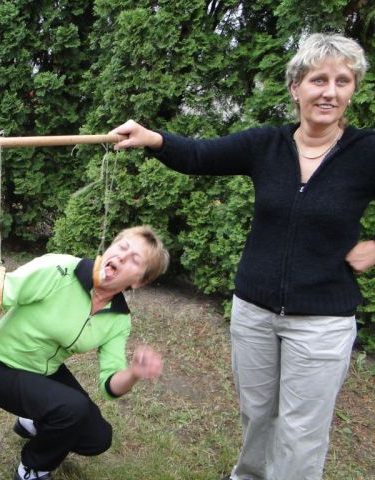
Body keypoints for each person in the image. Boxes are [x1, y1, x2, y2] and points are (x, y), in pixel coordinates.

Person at [111, 33, 373, 480]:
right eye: (318, 80)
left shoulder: (366, 152)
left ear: (353, 90)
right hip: (254, 313)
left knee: (301, 431)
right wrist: (152, 138)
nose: (329, 92)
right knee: (257, 413)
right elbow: (199, 155)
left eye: (342, 81)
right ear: (296, 88)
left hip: (322, 322)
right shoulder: (266, 144)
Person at [0, 226, 169, 480]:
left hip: (44, 371)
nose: (123, 256)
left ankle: (33, 421)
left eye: (135, 259)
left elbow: (110, 384)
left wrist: (134, 373)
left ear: (139, 282)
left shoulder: (119, 319)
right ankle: (33, 468)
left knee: (98, 438)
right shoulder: (60, 269)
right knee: (72, 408)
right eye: (122, 247)